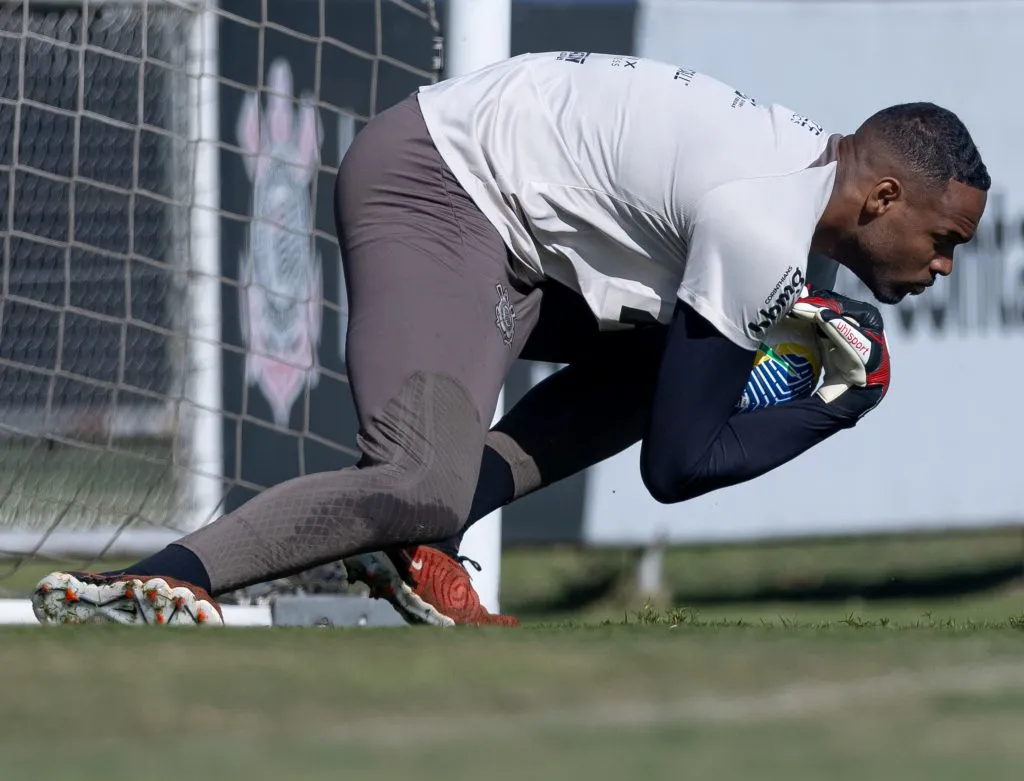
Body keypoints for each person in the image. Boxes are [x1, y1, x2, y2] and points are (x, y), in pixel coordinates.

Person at [31, 52, 989, 628]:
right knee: (420, 480)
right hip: (439, 189)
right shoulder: (764, 221)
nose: (944, 266)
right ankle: (148, 581)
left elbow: (687, 396)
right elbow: (679, 462)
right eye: (944, 241)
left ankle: (405, 547)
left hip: (528, 239)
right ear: (884, 198)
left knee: (660, 363)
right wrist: (834, 406)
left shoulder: (797, 206)